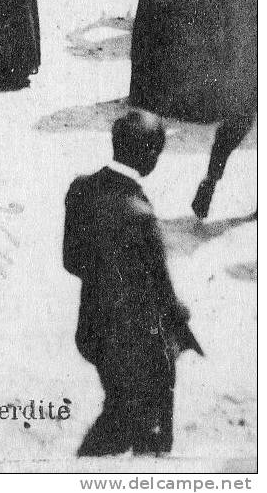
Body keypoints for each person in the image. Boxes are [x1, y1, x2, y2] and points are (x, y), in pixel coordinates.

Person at [63, 109, 202, 457]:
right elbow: (163, 293)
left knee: (119, 409)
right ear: (149, 156)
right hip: (140, 343)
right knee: (143, 430)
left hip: (94, 329)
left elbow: (72, 261)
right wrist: (181, 319)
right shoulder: (141, 214)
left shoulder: (81, 188)